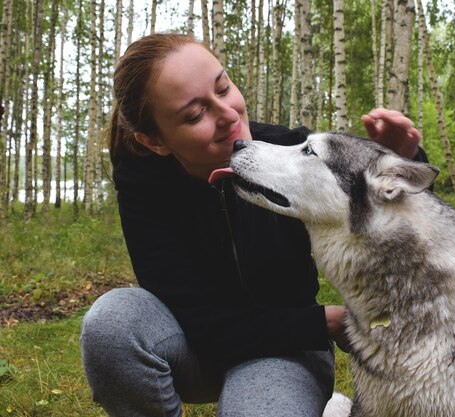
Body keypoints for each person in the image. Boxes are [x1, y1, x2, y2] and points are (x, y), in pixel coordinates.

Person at [80, 33, 428, 417]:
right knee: (112, 324)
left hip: (287, 352)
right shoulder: (143, 184)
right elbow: (200, 322)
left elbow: (388, 203)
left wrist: (402, 155)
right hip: (195, 347)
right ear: (155, 140)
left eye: (223, 87)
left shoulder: (290, 154)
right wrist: (328, 321)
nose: (228, 114)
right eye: (195, 114)